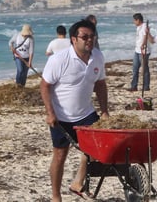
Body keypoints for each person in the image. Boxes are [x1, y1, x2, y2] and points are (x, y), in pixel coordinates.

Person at [40, 19, 109, 201]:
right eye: (84, 36)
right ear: (73, 39)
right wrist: (50, 113)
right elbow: (45, 85)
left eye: (92, 36)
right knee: (60, 155)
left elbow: (100, 85)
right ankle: (56, 196)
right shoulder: (59, 60)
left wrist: (104, 111)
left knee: (96, 149)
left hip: (86, 113)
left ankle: (77, 183)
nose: (89, 40)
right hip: (61, 117)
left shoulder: (98, 57)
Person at [128, 13, 151, 92]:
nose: (134, 22)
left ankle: (146, 86)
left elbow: (145, 36)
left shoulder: (145, 26)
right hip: (137, 50)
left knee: (144, 69)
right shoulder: (138, 27)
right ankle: (134, 86)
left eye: (134, 20)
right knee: (135, 69)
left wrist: (143, 44)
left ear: (138, 20)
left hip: (144, 51)